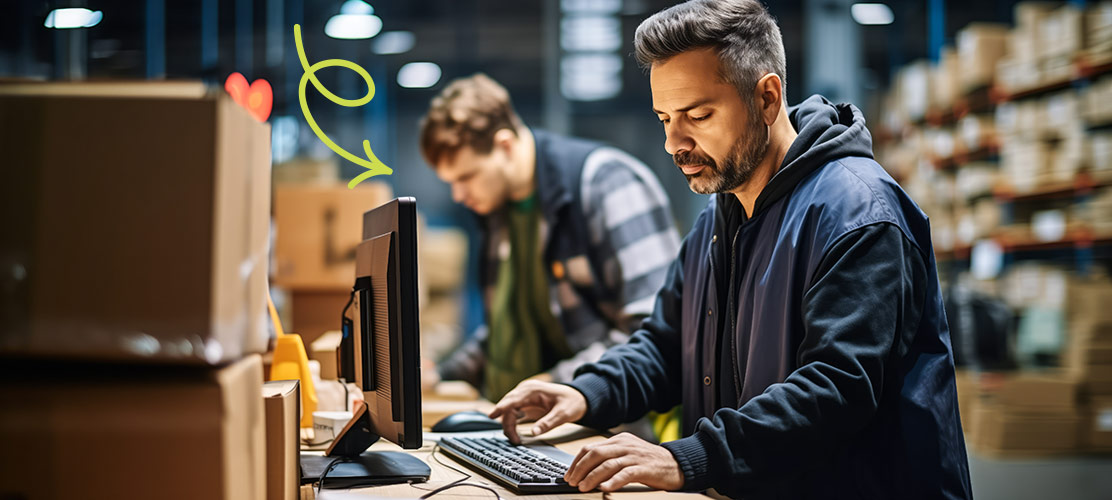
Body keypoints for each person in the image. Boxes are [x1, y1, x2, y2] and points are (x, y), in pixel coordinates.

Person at [488, 1, 973, 499]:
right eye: (664, 118)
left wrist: (689, 456)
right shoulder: (719, 219)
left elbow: (835, 389)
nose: (674, 142)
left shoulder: (858, 213)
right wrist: (585, 393)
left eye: (698, 115)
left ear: (766, 98)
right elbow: (666, 346)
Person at [419, 73, 681, 402]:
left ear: (505, 145)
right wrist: (440, 374)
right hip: (523, 417)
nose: (458, 194)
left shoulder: (608, 184)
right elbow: (507, 328)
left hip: (610, 418)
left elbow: (650, 330)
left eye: (467, 177)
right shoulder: (500, 211)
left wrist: (554, 383)